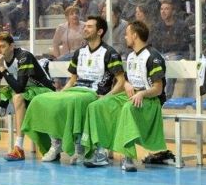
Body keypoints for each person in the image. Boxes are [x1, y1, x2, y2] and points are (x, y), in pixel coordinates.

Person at [22, 16, 124, 164]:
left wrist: (107, 97)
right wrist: (60, 93)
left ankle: (79, 147)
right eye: (85, 26)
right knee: (43, 100)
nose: (85, 28)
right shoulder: (79, 52)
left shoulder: (110, 53)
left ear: (100, 31)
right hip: (75, 90)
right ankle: (55, 144)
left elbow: (120, 82)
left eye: (90, 27)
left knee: (73, 102)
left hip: (94, 93)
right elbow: (72, 80)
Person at [81, 20, 167, 170]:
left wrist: (142, 94)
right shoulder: (132, 55)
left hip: (150, 99)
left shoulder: (153, 56)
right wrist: (126, 84)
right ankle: (100, 152)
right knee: (96, 106)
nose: (125, 37)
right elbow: (127, 80)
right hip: (131, 96)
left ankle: (128, 158)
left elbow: (158, 89)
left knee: (128, 109)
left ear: (134, 36)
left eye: (127, 34)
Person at [0, 32, 54, 161]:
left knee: (18, 97)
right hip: (23, 92)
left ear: (12, 46)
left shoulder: (24, 56)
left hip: (43, 91)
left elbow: (19, 88)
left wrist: (3, 68)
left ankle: (18, 148)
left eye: (2, 46)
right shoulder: (0, 59)